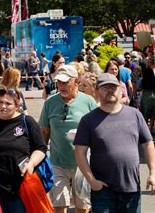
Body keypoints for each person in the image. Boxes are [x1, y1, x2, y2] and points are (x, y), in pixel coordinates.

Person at [74, 73, 155, 212]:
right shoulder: (88, 120)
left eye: (113, 87)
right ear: (96, 91)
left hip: (131, 188)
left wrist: (153, 173)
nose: (110, 90)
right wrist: (92, 181)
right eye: (105, 87)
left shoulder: (135, 114)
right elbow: (79, 152)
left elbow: (148, 144)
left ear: (120, 90)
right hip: (103, 190)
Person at [0, 88, 47, 212]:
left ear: (17, 105)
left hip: (19, 188)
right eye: (0, 102)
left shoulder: (27, 122)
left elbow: (41, 148)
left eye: (8, 103)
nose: (3, 106)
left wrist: (31, 164)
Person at [39, 65, 97, 213]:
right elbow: (44, 131)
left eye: (65, 82)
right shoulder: (50, 103)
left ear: (76, 81)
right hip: (58, 163)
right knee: (59, 206)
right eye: (59, 82)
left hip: (82, 165)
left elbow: (97, 131)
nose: (61, 86)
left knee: (82, 208)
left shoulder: (88, 101)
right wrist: (41, 157)